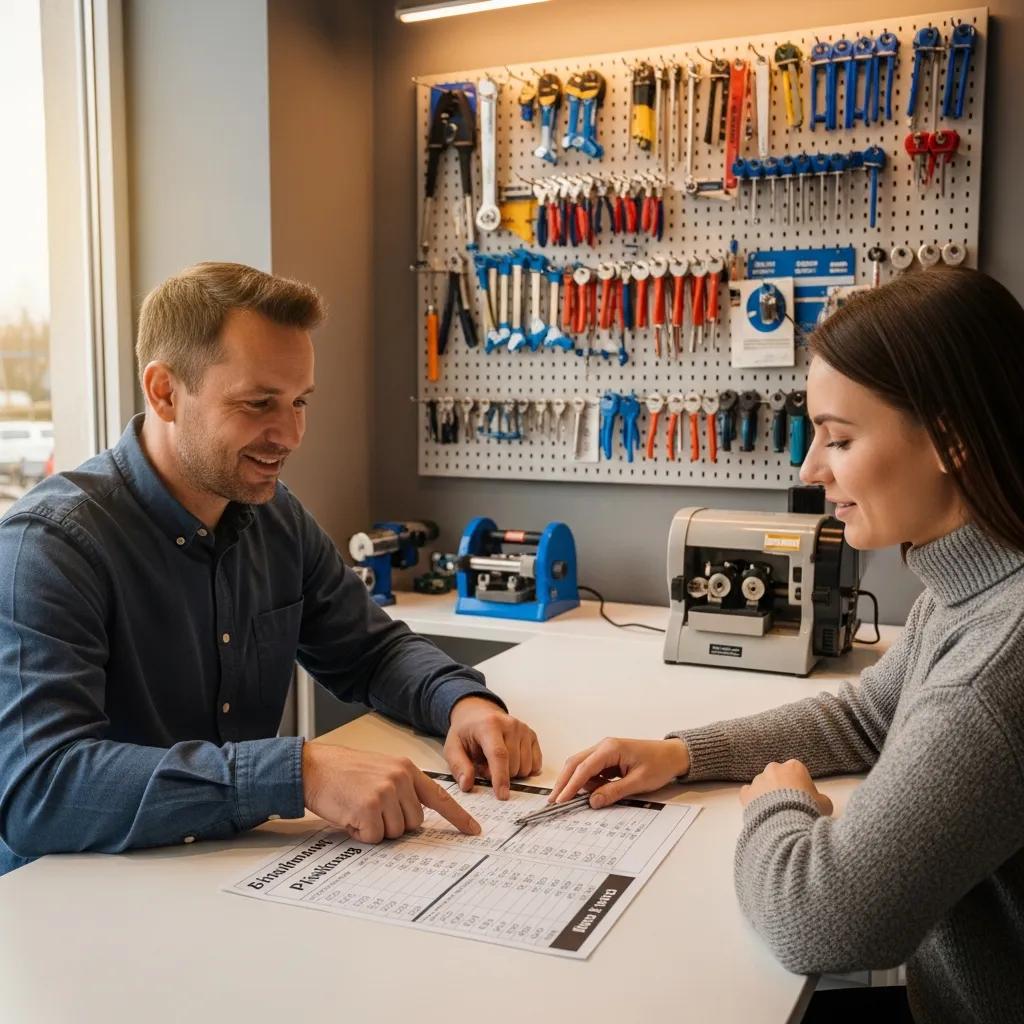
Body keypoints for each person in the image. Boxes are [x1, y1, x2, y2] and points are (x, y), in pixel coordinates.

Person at [548, 267, 1024, 1023]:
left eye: (838, 438)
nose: (809, 469)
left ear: (952, 438)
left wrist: (780, 807)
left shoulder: (999, 663)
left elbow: (824, 918)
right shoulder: (966, 591)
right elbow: (866, 719)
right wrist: (683, 753)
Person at [0, 261, 541, 875]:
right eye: (258, 404)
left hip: (232, 872)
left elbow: (372, 652)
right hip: (74, 904)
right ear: (165, 392)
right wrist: (297, 773)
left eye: (299, 402)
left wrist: (462, 704)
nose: (289, 434)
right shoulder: (50, 546)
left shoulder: (274, 516)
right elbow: (38, 790)